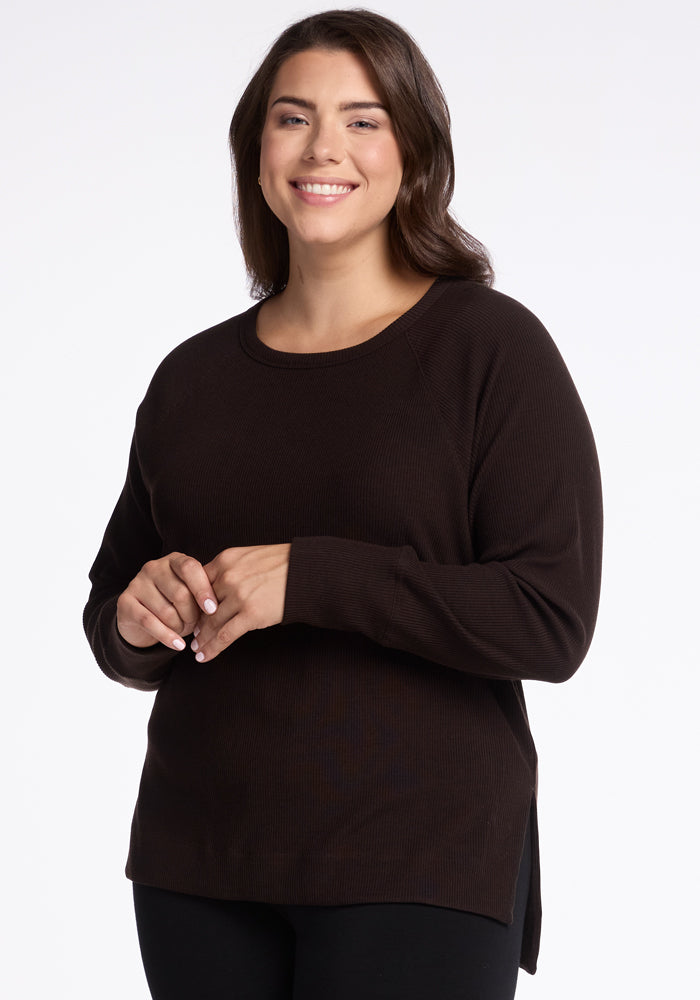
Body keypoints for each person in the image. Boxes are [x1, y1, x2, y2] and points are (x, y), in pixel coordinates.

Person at [84, 9, 603, 1000]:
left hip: (417, 862)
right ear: (257, 147)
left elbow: (550, 616)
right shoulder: (192, 379)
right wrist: (135, 613)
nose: (324, 148)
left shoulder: (488, 351)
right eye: (293, 117)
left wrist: (313, 577)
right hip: (200, 864)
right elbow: (117, 612)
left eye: (363, 120)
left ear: (412, 150)